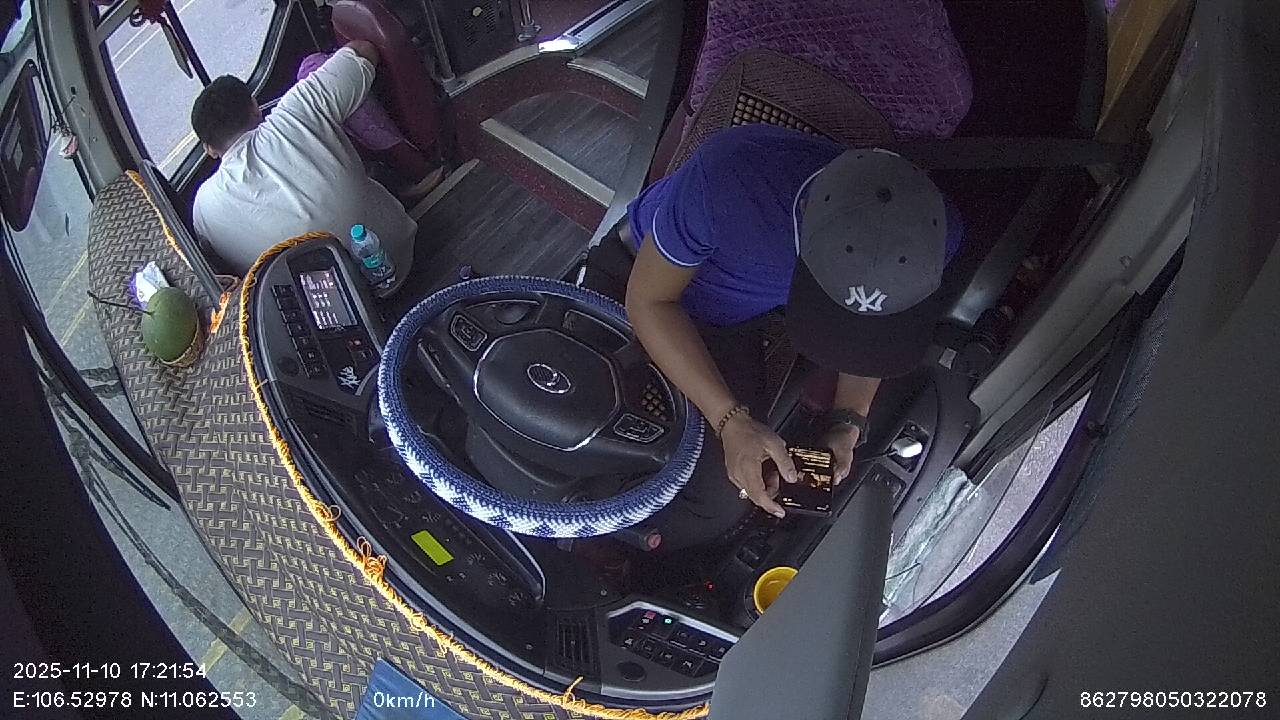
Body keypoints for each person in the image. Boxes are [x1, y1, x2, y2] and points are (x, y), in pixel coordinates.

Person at [600, 123, 962, 535]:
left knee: (724, 499)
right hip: (638, 280)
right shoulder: (731, 178)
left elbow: (871, 341)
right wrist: (730, 421)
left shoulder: (937, 235)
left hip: (732, 319)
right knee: (602, 438)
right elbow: (648, 302)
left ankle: (634, 540)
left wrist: (848, 423)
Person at [191, 41, 422, 278]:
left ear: (209, 149)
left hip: (329, 301)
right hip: (402, 259)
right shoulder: (297, 111)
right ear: (255, 108)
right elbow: (364, 51)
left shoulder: (203, 207)